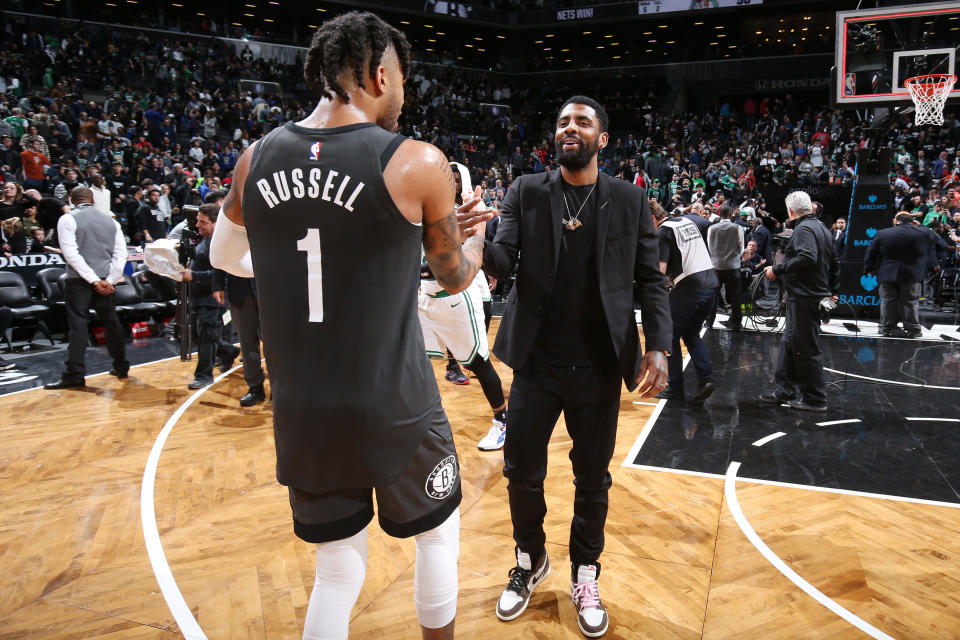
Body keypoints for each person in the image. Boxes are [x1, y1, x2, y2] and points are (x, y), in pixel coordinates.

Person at [209, 12, 490, 639]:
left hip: (304, 409)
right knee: (438, 535)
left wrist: (290, 271)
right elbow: (455, 277)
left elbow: (223, 257)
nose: (402, 94)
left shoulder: (254, 159)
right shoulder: (416, 161)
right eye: (402, 80)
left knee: (337, 568)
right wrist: (474, 238)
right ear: (380, 72)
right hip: (394, 403)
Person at [460, 95, 670, 637]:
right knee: (521, 474)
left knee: (591, 479)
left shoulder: (628, 199)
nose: (568, 128)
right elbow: (504, 262)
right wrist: (477, 237)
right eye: (561, 122)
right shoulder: (526, 191)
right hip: (536, 364)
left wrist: (659, 346)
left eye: (582, 121)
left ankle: (585, 572)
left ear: (602, 137)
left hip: (600, 366)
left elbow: (650, 277)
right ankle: (531, 561)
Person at [419, 162, 508, 450]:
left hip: (456, 294)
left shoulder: (473, 204)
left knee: (479, 363)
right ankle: (420, 420)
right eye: (449, 177)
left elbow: (473, 248)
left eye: (457, 178)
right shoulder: (426, 201)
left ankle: (502, 420)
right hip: (423, 295)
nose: (453, 182)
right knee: (411, 360)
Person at [760, 191, 839, 412]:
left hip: (805, 297)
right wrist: (834, 291)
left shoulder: (804, 229)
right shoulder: (822, 228)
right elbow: (835, 262)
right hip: (809, 295)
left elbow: (807, 257)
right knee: (789, 344)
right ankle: (785, 390)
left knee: (806, 349)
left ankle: (815, 398)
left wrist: (777, 269)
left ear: (790, 211)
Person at [44, 187, 128, 389]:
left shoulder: (68, 218)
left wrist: (92, 280)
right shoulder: (111, 220)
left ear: (71, 200)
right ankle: (121, 366)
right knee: (111, 322)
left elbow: (71, 254)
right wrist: (110, 280)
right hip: (105, 281)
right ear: (92, 199)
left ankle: (75, 374)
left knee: (78, 326)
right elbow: (120, 253)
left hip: (80, 281)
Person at [653, 201, 719, 403]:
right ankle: (706, 379)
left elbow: (659, 272)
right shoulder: (686, 221)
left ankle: (675, 389)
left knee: (669, 337)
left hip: (689, 289)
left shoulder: (662, 232)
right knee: (691, 334)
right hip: (711, 285)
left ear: (652, 218)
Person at [181, 204, 239, 389]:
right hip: (199, 298)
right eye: (198, 221)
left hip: (215, 299)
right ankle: (229, 351)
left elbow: (222, 274)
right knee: (199, 335)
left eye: (203, 222)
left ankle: (204, 375)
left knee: (207, 336)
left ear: (215, 223)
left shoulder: (221, 243)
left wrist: (194, 276)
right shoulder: (204, 241)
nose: (198, 225)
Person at [211, 234, 265, 407]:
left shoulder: (267, 211)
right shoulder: (230, 216)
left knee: (275, 343)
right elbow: (222, 250)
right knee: (247, 343)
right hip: (239, 289)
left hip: (269, 287)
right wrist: (217, 284)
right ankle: (255, 387)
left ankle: (281, 388)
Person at [863, 212, 936, 338]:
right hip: (912, 274)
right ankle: (913, 330)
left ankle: (886, 328)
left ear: (896, 221)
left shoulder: (883, 233)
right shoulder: (922, 232)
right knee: (910, 301)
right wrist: (920, 226)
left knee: (888, 301)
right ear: (912, 221)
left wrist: (869, 268)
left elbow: (871, 253)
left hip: (887, 273)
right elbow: (937, 239)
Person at [707, 204, 745, 331]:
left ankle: (709, 322)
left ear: (719, 213)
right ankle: (736, 324)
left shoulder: (712, 228)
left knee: (713, 297)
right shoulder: (737, 227)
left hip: (716, 266)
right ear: (731, 214)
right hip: (733, 266)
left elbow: (709, 246)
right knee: (735, 297)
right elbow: (741, 247)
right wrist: (734, 257)